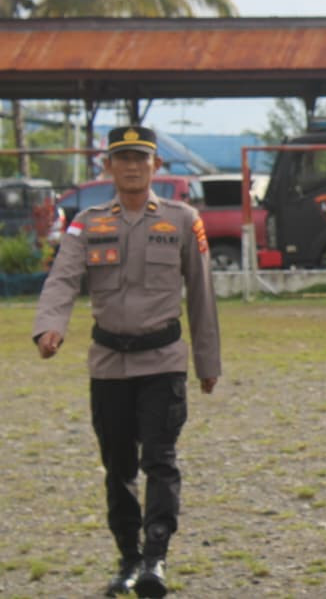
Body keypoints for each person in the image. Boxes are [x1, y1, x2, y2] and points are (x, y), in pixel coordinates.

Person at [32, 125, 221, 598]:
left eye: (141, 158)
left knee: (160, 459)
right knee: (118, 466)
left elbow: (202, 293)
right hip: (109, 365)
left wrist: (207, 361)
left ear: (156, 165)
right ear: (108, 167)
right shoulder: (87, 223)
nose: (132, 166)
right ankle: (128, 558)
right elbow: (62, 278)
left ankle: (156, 556)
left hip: (163, 362)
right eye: (123, 158)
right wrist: (50, 325)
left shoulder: (182, 219)